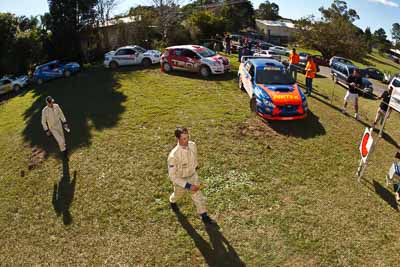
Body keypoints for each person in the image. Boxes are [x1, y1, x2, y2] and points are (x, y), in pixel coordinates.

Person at [168, 127, 215, 225]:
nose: (186, 141)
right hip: (181, 180)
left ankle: (204, 215)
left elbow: (195, 157)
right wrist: (188, 186)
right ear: (178, 139)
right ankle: (172, 201)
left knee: (197, 196)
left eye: (187, 137)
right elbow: (173, 177)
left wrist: (195, 167)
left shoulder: (192, 145)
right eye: (184, 139)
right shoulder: (173, 156)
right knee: (178, 195)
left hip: (192, 175)